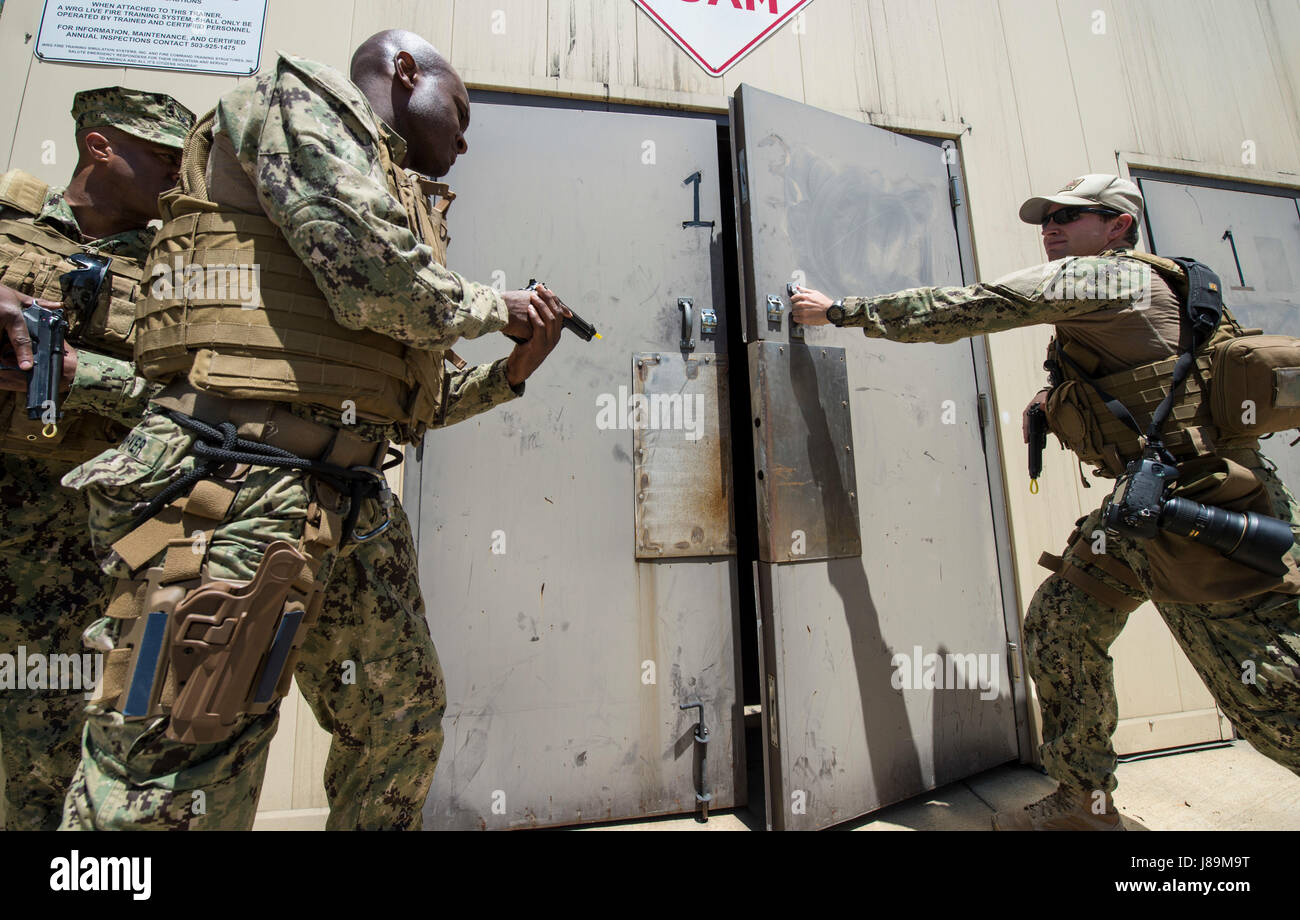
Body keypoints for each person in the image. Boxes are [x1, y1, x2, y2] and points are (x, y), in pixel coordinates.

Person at [58, 30, 568, 830]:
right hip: (234, 487)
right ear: (405, 71)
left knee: (398, 721)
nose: (466, 140)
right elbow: (374, 277)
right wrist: (495, 307)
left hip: (351, 498)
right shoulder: (297, 104)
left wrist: (511, 374)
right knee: (176, 765)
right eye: (462, 114)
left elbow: (407, 402)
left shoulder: (391, 194)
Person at [792, 174, 1300, 831]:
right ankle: (1083, 806)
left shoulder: (1107, 280)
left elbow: (976, 306)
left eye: (1071, 215)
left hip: (1209, 518)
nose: (1051, 226)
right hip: (1143, 511)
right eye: (1046, 217)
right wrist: (1053, 402)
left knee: (1271, 700)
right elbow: (1148, 382)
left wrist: (839, 312)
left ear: (1118, 225)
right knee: (1061, 625)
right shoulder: (1135, 291)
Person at [0, 88, 194, 830]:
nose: (180, 180)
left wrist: (92, 376)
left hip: (76, 562)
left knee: (50, 766)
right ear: (100, 147)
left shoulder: (179, 275)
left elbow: (195, 397)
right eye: (165, 159)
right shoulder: (11, 225)